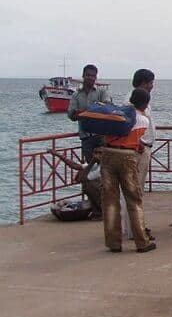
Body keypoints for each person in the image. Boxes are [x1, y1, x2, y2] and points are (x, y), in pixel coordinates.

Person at [101, 88, 155, 253]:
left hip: (108, 155)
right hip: (127, 157)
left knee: (110, 200)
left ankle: (113, 243)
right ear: (145, 104)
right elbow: (136, 138)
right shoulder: (143, 120)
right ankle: (142, 242)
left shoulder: (116, 114)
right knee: (133, 199)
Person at [67, 64, 112, 216]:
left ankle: (106, 206)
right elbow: (71, 115)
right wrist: (91, 111)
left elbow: (106, 108)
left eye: (93, 75)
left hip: (101, 138)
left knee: (105, 173)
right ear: (83, 76)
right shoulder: (76, 95)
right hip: (86, 139)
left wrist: (84, 112)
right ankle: (96, 207)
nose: (91, 78)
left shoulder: (101, 91)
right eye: (88, 75)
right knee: (89, 172)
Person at [121, 69, 156, 240]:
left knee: (136, 191)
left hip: (143, 148)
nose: (152, 86)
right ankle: (134, 229)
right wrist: (138, 143)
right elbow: (129, 125)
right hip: (137, 150)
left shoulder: (142, 99)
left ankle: (135, 227)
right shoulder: (130, 101)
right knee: (133, 191)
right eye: (150, 82)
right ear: (143, 82)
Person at [47, 148, 102, 219]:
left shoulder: (102, 167)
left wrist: (91, 162)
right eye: (95, 153)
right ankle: (97, 210)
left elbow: (82, 178)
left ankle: (101, 211)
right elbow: (75, 165)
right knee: (84, 176)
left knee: (88, 184)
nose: (97, 155)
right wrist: (58, 154)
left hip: (107, 195)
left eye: (100, 153)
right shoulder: (96, 164)